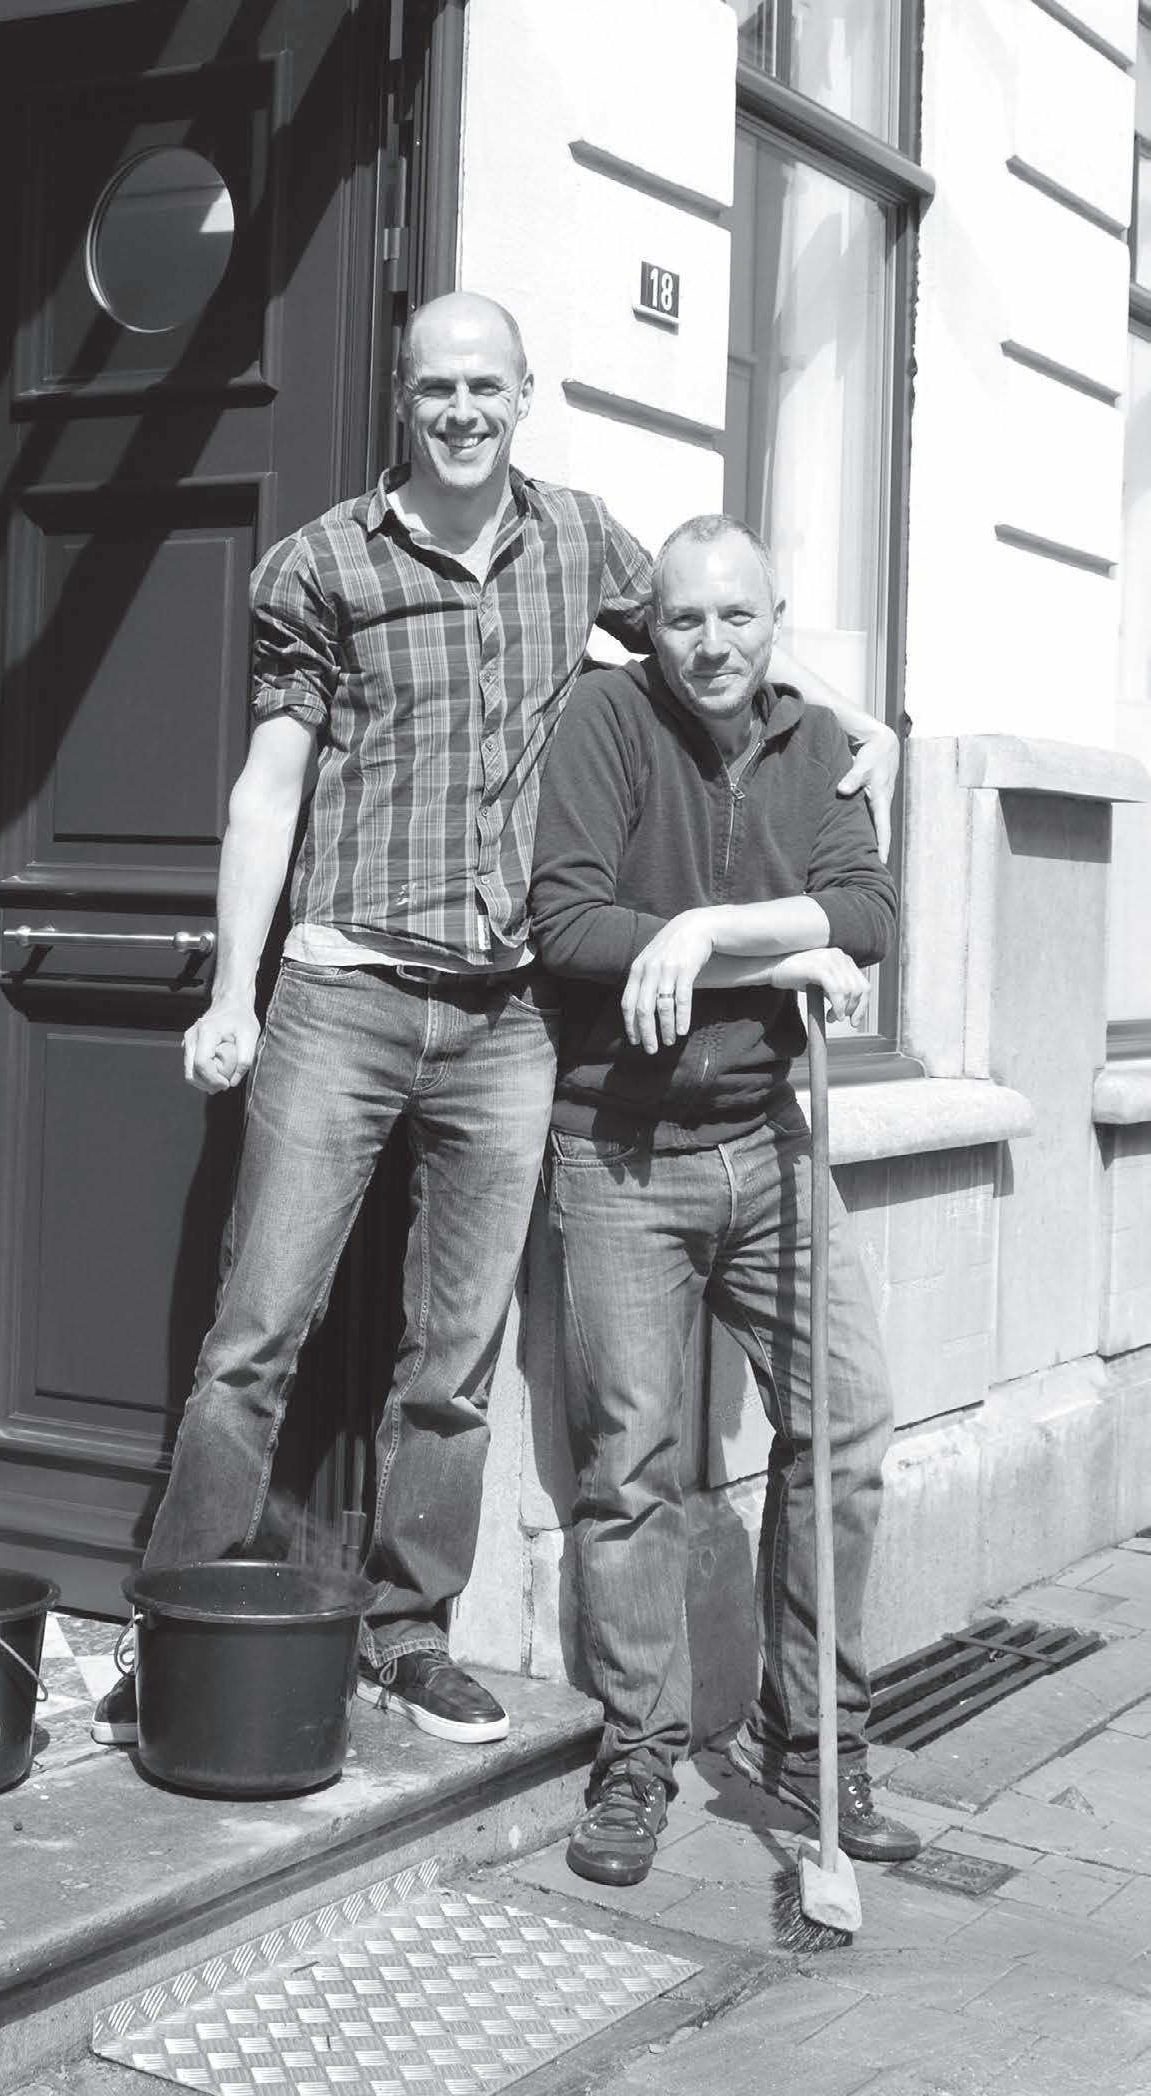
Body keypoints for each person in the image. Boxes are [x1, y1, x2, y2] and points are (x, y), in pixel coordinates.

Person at [93, 299, 897, 1750]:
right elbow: (269, 786)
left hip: (511, 1014)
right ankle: (174, 1639)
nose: (461, 409)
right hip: (344, 992)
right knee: (255, 1338)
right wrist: (230, 993)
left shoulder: (578, 539)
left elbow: (712, 627)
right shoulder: (322, 564)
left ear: (526, 393)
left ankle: (407, 1634)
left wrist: (860, 722)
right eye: (435, 387)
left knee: (452, 1363)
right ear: (403, 399)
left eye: (485, 385)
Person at [529, 513, 921, 1883]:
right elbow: (570, 925)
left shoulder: (819, 747)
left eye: (738, 617)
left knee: (847, 1427)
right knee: (630, 1467)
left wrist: (707, 933)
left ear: (776, 621)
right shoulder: (606, 720)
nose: (712, 643)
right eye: (686, 618)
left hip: (768, 1139)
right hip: (620, 1151)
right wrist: (779, 958)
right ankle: (639, 1752)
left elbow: (870, 915)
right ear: (653, 624)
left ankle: (813, 1740)